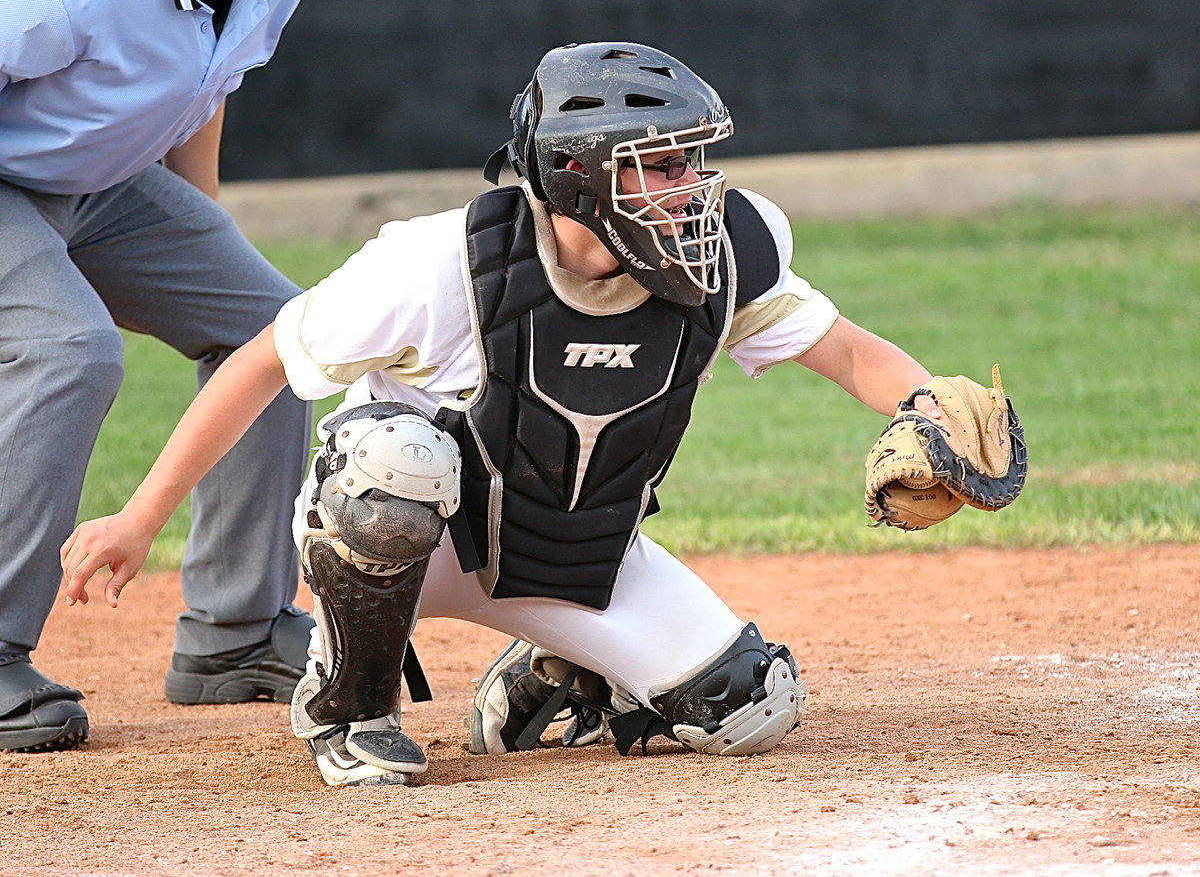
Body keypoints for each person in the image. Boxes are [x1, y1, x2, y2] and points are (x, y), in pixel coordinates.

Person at [61, 41, 949, 786]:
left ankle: (552, 671)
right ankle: (350, 705)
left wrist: (933, 412)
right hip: (409, 538)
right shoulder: (438, 263)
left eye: (693, 159)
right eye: (662, 165)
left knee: (751, 706)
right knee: (399, 458)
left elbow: (853, 352)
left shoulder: (724, 257)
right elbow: (260, 361)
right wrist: (140, 518)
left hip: (572, 548)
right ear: (581, 177)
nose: (692, 187)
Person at [0, 0, 365, 753]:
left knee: (275, 332)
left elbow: (208, 86)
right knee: (68, 349)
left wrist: (199, 236)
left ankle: (234, 634)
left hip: (103, 186)